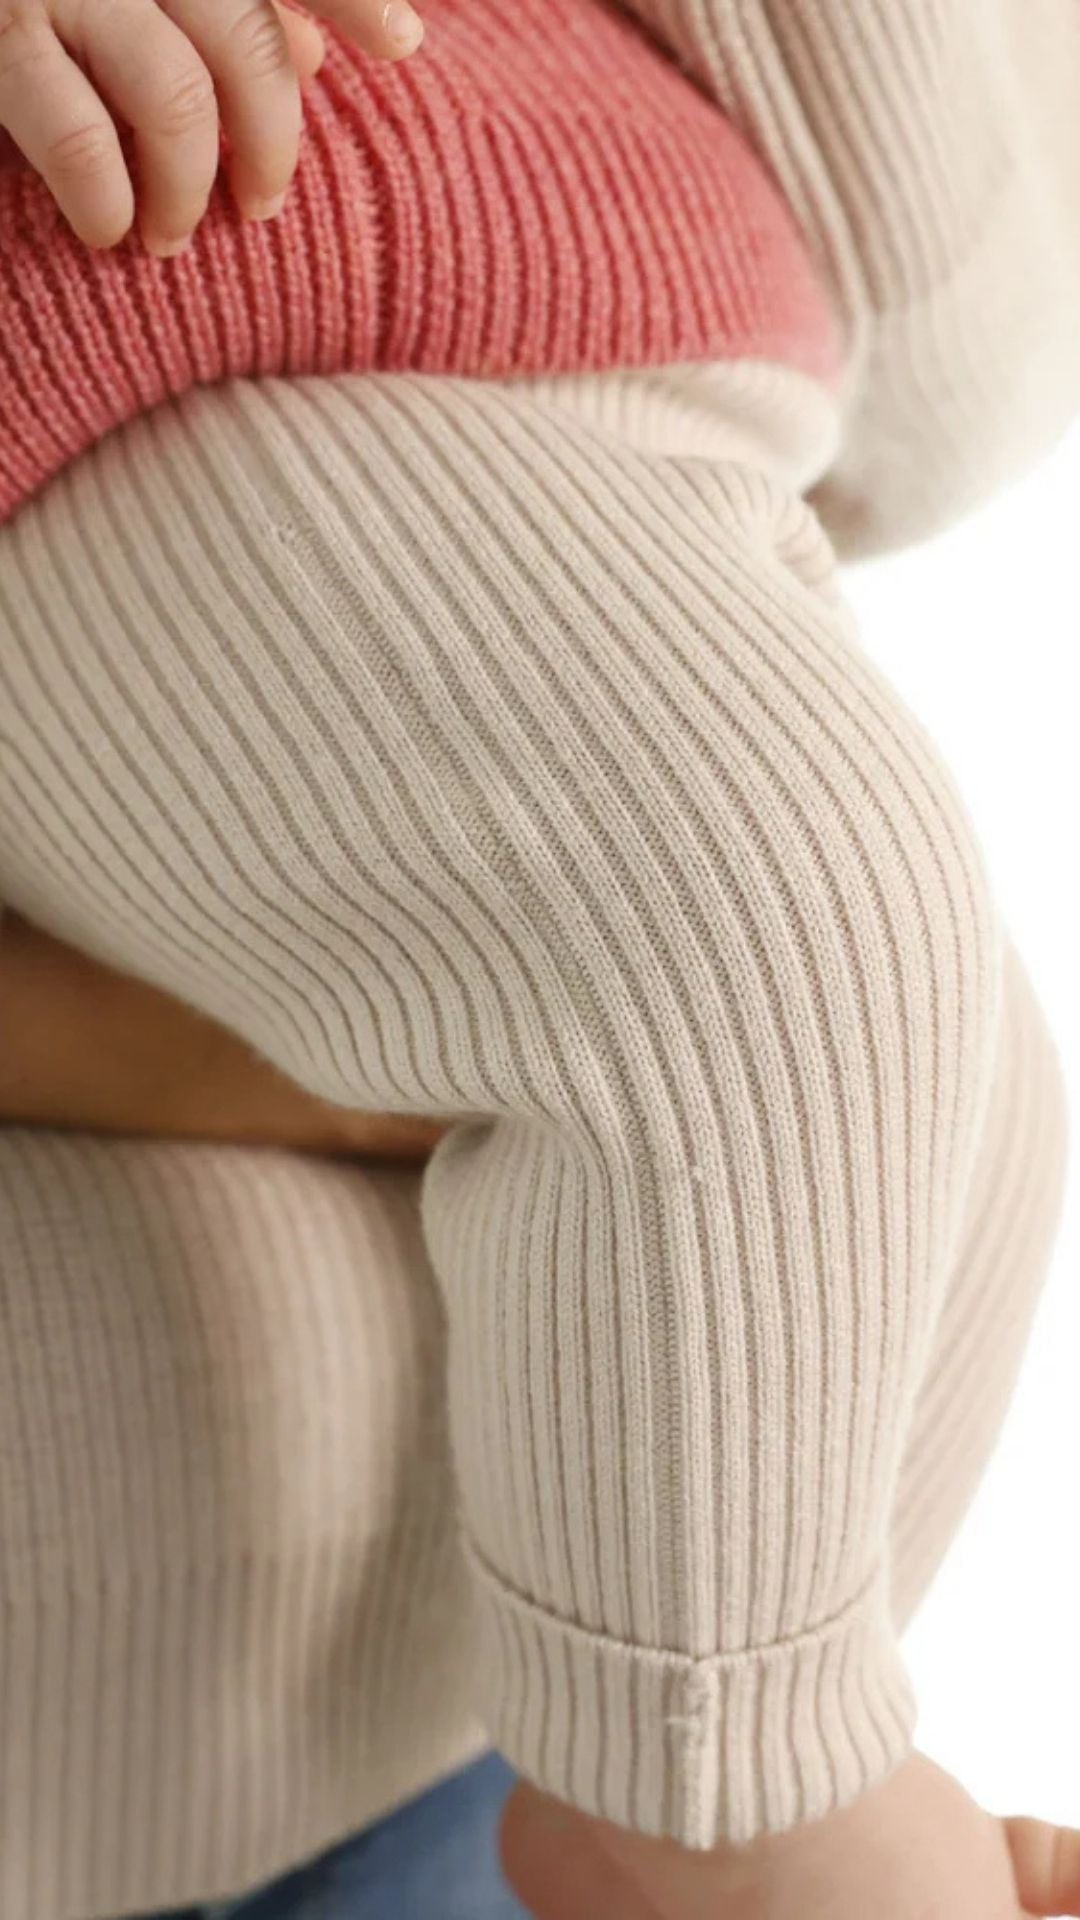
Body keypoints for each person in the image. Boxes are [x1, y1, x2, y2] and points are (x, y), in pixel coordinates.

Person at [1, 1, 1080, 1916]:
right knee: (776, 923)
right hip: (152, 282)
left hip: (588, 292)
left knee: (927, 1065)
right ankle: (729, 1815)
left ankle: (703, 1773)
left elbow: (950, 343)